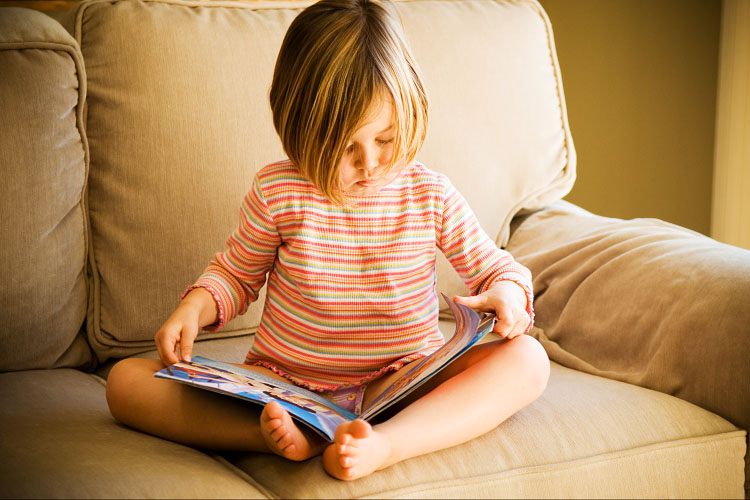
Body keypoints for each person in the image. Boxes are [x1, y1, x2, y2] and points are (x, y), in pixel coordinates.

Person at [105, 0, 550, 481]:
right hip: (285, 388)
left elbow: (496, 266)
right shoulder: (278, 191)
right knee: (125, 382)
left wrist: (508, 294)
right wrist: (193, 307)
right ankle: (270, 436)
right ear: (299, 127)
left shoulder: (430, 193)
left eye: (386, 139)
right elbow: (236, 275)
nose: (371, 164)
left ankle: (386, 444)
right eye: (345, 147)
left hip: (399, 383)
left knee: (528, 360)